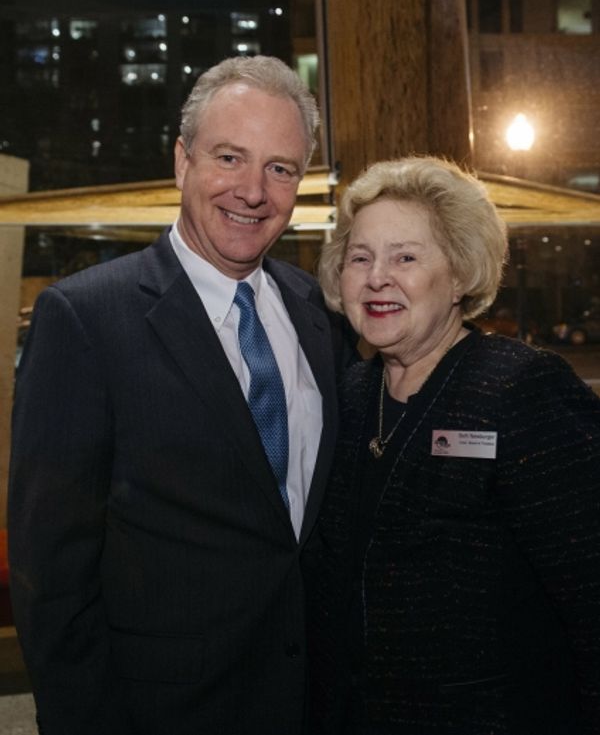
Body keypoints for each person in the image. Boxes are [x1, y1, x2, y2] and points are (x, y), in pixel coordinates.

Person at [8, 55, 355, 735]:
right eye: (230, 156)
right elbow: (50, 577)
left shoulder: (318, 311)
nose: (253, 191)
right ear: (182, 161)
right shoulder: (84, 319)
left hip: (312, 704)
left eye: (280, 168)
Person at [307, 156, 600, 735]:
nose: (376, 278)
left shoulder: (521, 388)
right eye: (359, 258)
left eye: (406, 258)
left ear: (462, 274)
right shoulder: (347, 392)